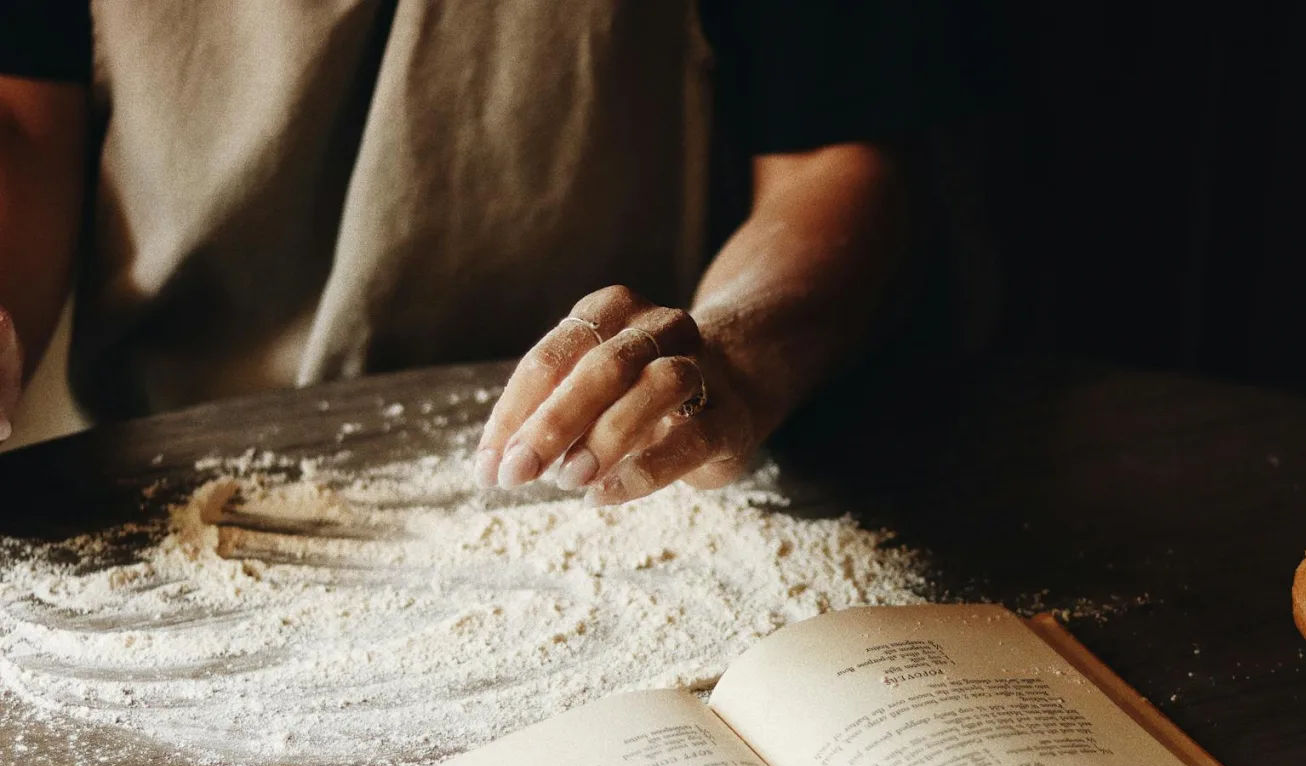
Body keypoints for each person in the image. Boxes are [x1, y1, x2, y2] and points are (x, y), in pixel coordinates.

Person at [0, 1, 967, 503]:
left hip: (595, 486)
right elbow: (26, 120)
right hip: (174, 463)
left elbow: (830, 161)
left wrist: (736, 351)